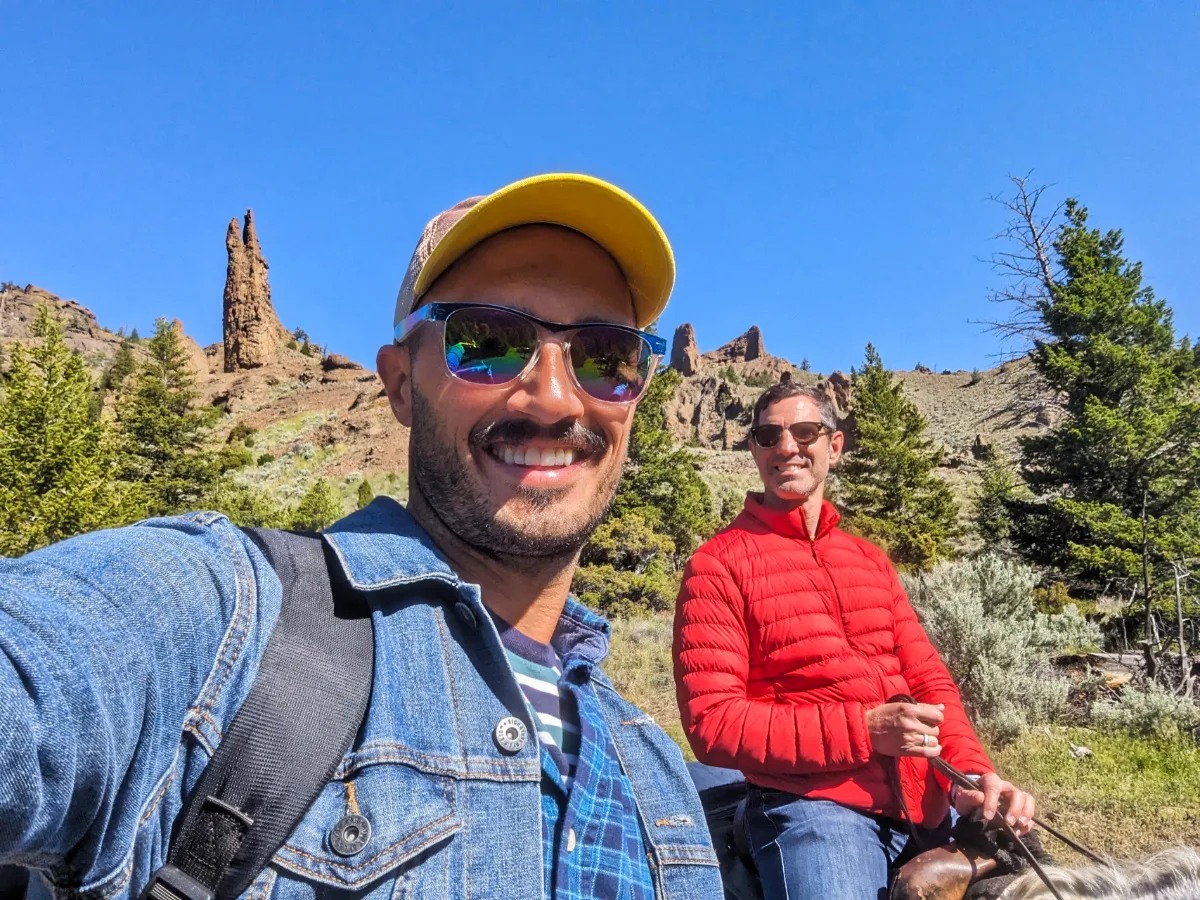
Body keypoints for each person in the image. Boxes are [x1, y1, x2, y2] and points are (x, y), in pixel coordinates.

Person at [0, 174, 722, 900]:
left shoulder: (656, 770)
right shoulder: (236, 622)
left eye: (606, 355)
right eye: (491, 341)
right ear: (402, 386)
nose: (555, 396)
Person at [673, 380, 1036, 899]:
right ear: (753, 448)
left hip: (923, 804)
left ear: (834, 446)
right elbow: (713, 723)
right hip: (813, 810)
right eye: (768, 435)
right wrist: (864, 731)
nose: (787, 446)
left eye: (805, 431)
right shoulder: (718, 565)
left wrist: (971, 777)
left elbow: (928, 680)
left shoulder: (869, 560)